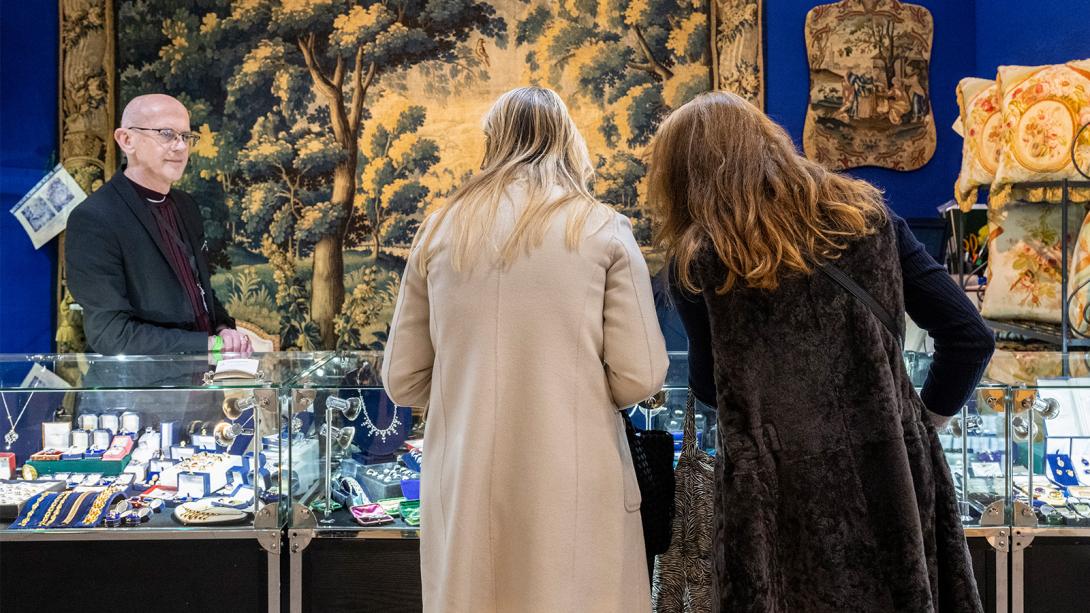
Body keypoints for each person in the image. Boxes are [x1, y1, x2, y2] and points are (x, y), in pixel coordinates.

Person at [648, 91, 992, 612]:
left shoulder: (700, 262)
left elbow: (708, 388)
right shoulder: (869, 222)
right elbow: (970, 337)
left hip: (775, 502)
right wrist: (919, 422)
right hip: (892, 478)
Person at [382, 86, 668, 613]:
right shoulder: (602, 227)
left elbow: (402, 379)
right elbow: (641, 374)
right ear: (567, 140)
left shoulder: (440, 229)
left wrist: (465, 384)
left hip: (465, 477)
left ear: (492, 143)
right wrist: (576, 383)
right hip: (576, 476)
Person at [66, 94, 249, 355]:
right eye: (166, 134)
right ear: (126, 140)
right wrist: (206, 344)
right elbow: (110, 334)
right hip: (140, 390)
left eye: (186, 137)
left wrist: (222, 328)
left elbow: (197, 288)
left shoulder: (186, 205)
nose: (180, 146)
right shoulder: (94, 218)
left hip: (198, 383)